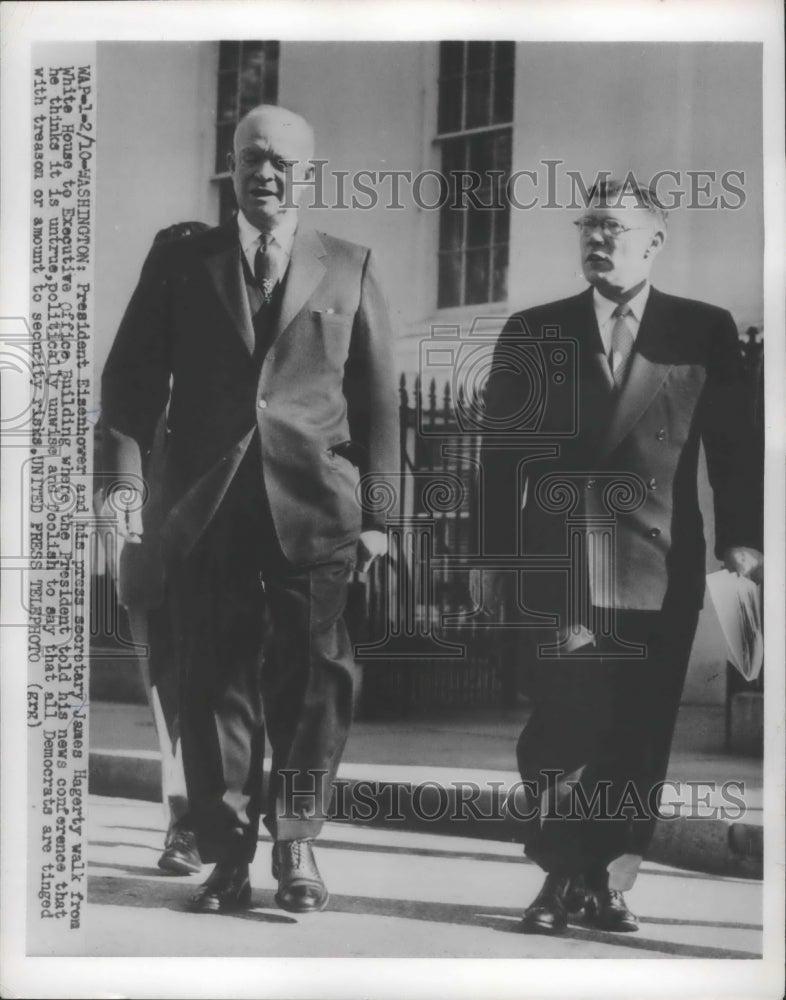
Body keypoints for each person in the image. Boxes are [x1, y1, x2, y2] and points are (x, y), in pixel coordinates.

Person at [101, 105, 399, 915]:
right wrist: (123, 486)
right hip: (205, 510)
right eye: (251, 158)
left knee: (314, 684)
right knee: (213, 684)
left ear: (309, 171)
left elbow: (379, 404)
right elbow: (128, 384)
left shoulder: (349, 265)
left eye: (282, 162)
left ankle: (296, 842)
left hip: (316, 512)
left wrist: (380, 516)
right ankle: (227, 855)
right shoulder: (181, 263)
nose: (265, 173)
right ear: (230, 164)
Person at [481, 178, 762, 935]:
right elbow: (501, 459)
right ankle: (558, 873)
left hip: (658, 567)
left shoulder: (701, 330)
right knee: (560, 731)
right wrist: (491, 557)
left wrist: (744, 536)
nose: (596, 240)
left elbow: (734, 444)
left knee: (638, 737)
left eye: (612, 227)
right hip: (562, 568)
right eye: (587, 226)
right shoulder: (534, 330)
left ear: (654, 242)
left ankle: (605, 880)